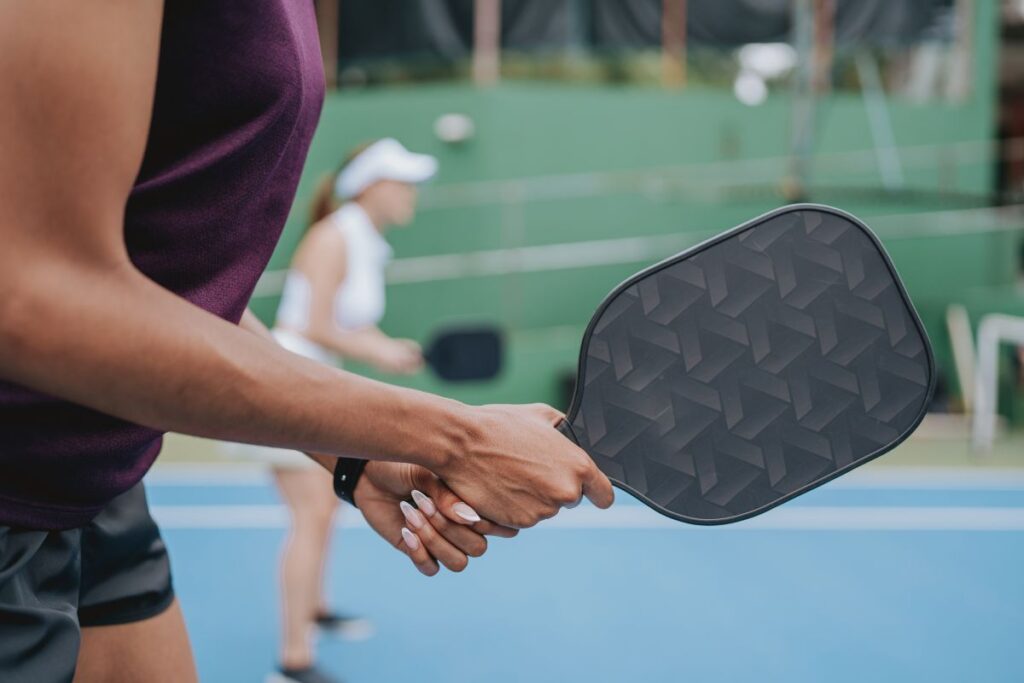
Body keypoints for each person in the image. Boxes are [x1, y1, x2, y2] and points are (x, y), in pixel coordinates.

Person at [0, 5, 614, 683]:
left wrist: (356, 453)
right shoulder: (338, 235)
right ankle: (295, 653)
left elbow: (171, 291)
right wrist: (454, 437)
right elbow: (33, 298)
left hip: (95, 475)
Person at [252, 138, 440, 682]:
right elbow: (313, 325)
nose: (411, 194)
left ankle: (316, 607)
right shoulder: (334, 237)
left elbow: (349, 324)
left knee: (325, 511)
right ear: (370, 186)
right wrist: (381, 352)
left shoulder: (363, 240)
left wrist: (386, 346)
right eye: (402, 182)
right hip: (287, 385)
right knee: (311, 515)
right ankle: (293, 661)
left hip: (316, 384)